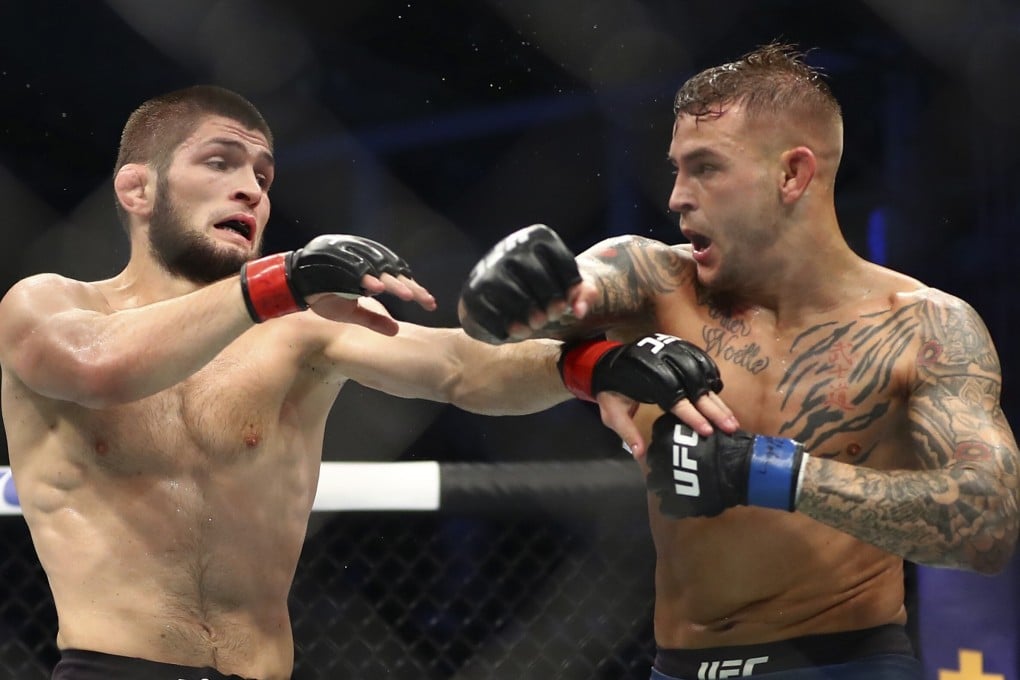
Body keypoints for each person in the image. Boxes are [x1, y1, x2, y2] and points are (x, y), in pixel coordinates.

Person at [0, 85, 732, 680]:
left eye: (261, 174)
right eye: (219, 163)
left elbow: (459, 368)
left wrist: (588, 364)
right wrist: (282, 277)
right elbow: (97, 368)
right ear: (135, 187)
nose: (250, 189)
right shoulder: (51, 304)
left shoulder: (297, 328)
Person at [459, 43, 1020, 679]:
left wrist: (769, 472)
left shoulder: (923, 326)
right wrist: (518, 295)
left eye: (705, 168)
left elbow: (988, 523)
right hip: (675, 667)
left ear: (792, 174)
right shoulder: (655, 278)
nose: (675, 197)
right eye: (675, 168)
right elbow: (553, 305)